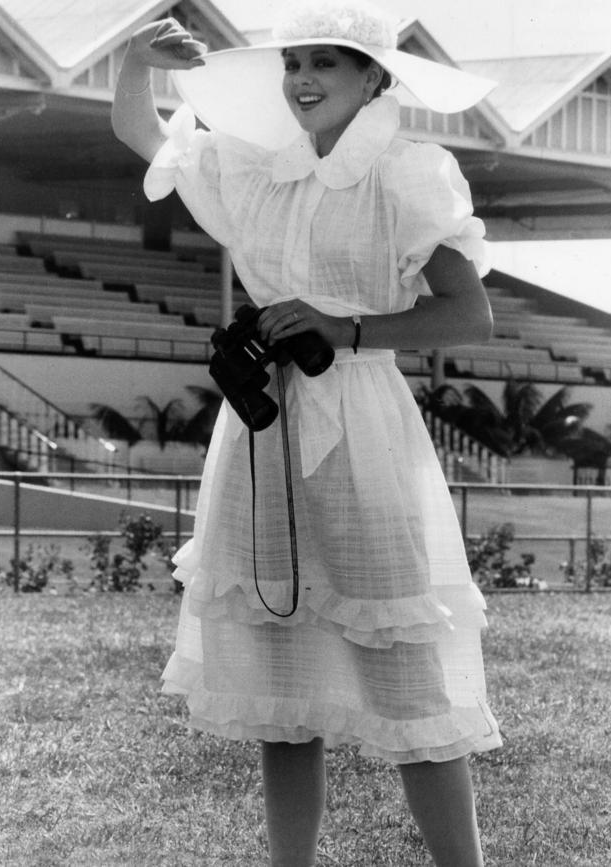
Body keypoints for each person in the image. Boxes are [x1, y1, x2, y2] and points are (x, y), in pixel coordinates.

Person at [112, 3, 502, 865]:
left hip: (363, 431)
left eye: (329, 62)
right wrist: (137, 58)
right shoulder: (259, 171)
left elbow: (469, 314)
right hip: (263, 430)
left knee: (407, 675)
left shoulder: (404, 174)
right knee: (281, 681)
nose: (304, 79)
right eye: (294, 63)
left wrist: (342, 325)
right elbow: (144, 133)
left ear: (374, 80)